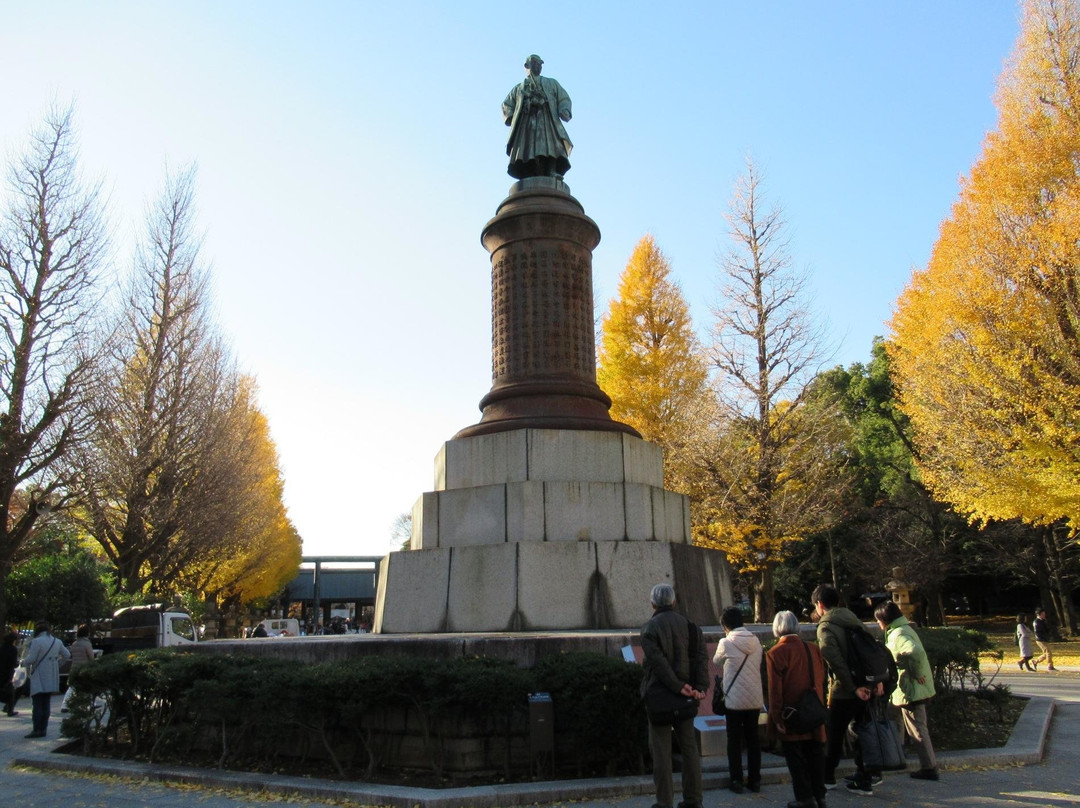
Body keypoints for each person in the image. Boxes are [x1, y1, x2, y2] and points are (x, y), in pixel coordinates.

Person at [640, 583, 707, 808]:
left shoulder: (650, 628)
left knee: (660, 752)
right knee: (690, 750)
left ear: (653, 604)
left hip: (661, 695)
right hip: (686, 694)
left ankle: (664, 801)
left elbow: (657, 663)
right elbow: (700, 658)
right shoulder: (690, 626)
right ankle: (693, 799)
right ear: (674, 602)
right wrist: (699, 687)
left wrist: (677, 686)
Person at [811, 584, 881, 796]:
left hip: (845, 689)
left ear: (820, 604)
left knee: (834, 732)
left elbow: (834, 660)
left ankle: (828, 776)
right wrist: (873, 682)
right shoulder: (854, 620)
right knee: (863, 730)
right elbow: (873, 650)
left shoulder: (826, 627)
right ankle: (865, 776)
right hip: (866, 685)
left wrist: (852, 687)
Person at [766, 611, 828, 808]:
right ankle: (820, 795)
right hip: (814, 710)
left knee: (796, 758)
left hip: (792, 713)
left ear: (777, 628)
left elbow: (775, 690)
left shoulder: (775, 653)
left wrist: (776, 718)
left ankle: (804, 798)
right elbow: (821, 678)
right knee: (815, 755)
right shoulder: (813, 649)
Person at [875, 600, 938, 781]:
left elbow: (915, 652)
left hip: (911, 690)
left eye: (878, 620)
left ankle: (929, 767)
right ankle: (898, 754)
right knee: (895, 718)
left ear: (884, 620)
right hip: (905, 690)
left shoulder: (899, 633)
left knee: (917, 729)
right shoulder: (903, 629)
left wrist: (917, 674)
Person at [713, 606, 763, 794]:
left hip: (734, 699)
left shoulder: (726, 642)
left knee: (734, 740)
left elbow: (716, 661)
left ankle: (736, 780)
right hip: (754, 698)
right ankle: (755, 780)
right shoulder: (756, 641)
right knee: (753, 740)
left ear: (725, 625)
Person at [502, 55, 572, 180]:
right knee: (528, 148)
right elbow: (506, 104)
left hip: (547, 119)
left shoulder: (551, 83)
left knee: (551, 145)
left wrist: (564, 109)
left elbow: (563, 98)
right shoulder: (519, 88)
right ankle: (531, 171)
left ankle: (551, 170)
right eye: (534, 63)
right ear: (527, 66)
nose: (538, 66)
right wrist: (512, 117)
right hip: (527, 122)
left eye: (540, 64)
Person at [21, 621, 70, 739]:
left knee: (37, 703)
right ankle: (44, 729)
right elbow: (67, 655)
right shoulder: (57, 641)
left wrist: (22, 662)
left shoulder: (36, 642)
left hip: (39, 674)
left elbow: (31, 658)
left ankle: (36, 729)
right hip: (51, 675)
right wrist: (56, 665)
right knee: (46, 703)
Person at [61, 625, 96, 712]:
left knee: (72, 687)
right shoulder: (87, 644)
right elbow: (91, 657)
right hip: (85, 668)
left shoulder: (74, 644)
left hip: (74, 668)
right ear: (87, 633)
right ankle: (90, 704)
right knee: (88, 686)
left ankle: (65, 705)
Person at [1, 627, 21, 716]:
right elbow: (13, 663)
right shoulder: (13, 649)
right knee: (11, 692)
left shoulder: (1, 648)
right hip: (8, 673)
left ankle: (8, 708)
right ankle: (10, 710)